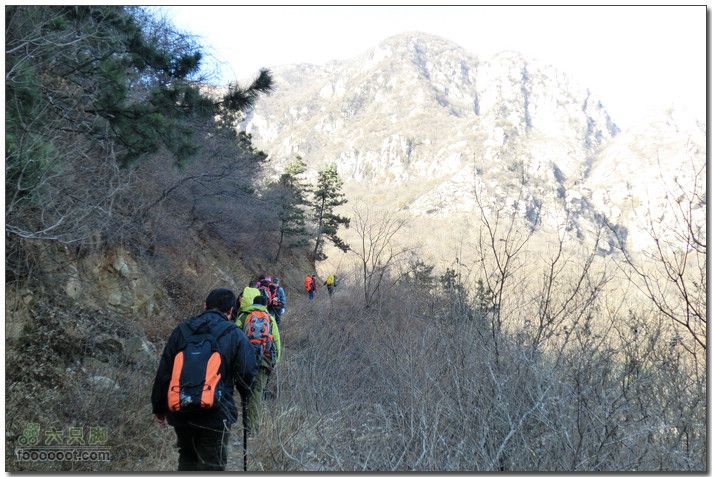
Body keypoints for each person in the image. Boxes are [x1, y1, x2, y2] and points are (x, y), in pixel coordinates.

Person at [151, 288, 257, 471]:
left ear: (205, 306)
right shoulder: (235, 334)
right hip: (217, 412)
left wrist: (159, 407)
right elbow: (247, 372)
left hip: (182, 411)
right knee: (212, 465)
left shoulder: (182, 331)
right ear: (231, 310)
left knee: (187, 459)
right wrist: (245, 395)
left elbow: (164, 371)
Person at [236, 295, 281, 434]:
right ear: (266, 305)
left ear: (253, 303)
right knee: (257, 392)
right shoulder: (270, 319)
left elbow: (234, 336)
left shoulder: (243, 316)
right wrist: (275, 361)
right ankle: (252, 429)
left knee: (245, 390)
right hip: (264, 361)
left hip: (245, 359)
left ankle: (245, 424)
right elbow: (277, 341)